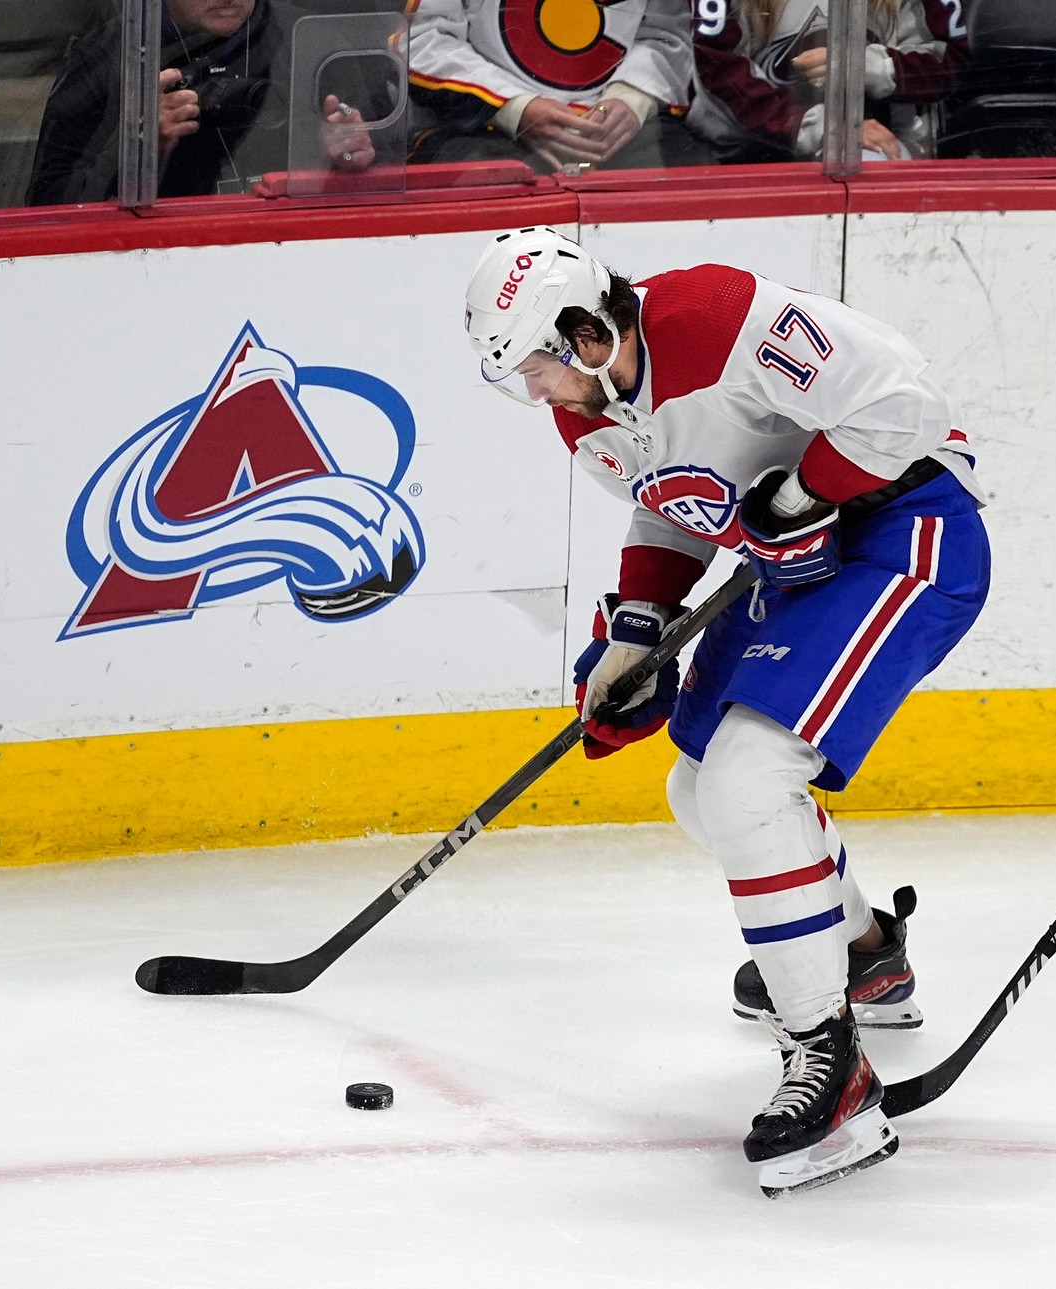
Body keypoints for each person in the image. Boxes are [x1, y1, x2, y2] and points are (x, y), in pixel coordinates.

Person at [462, 226, 988, 1195]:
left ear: (583, 331)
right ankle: (863, 954)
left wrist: (809, 486)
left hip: (904, 525)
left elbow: (904, 399)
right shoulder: (588, 414)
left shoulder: (715, 319)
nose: (535, 392)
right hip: (796, 562)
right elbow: (670, 501)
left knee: (752, 780)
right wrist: (636, 629)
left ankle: (832, 1066)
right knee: (699, 787)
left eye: (537, 366)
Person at [27, 0, 383, 204]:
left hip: (284, 249)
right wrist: (135, 151)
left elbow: (387, 185)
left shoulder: (314, 43)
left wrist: (347, 160)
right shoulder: (104, 58)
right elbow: (47, 205)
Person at [406, 0, 704, 171]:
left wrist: (632, 97)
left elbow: (668, 35)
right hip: (482, 132)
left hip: (625, 137)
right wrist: (515, 108)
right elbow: (423, 39)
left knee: (696, 175)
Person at [686, 0, 970, 162]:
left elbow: (951, 60)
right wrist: (818, 126)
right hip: (749, 161)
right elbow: (716, 70)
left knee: (870, 163)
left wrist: (865, 66)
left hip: (888, 148)